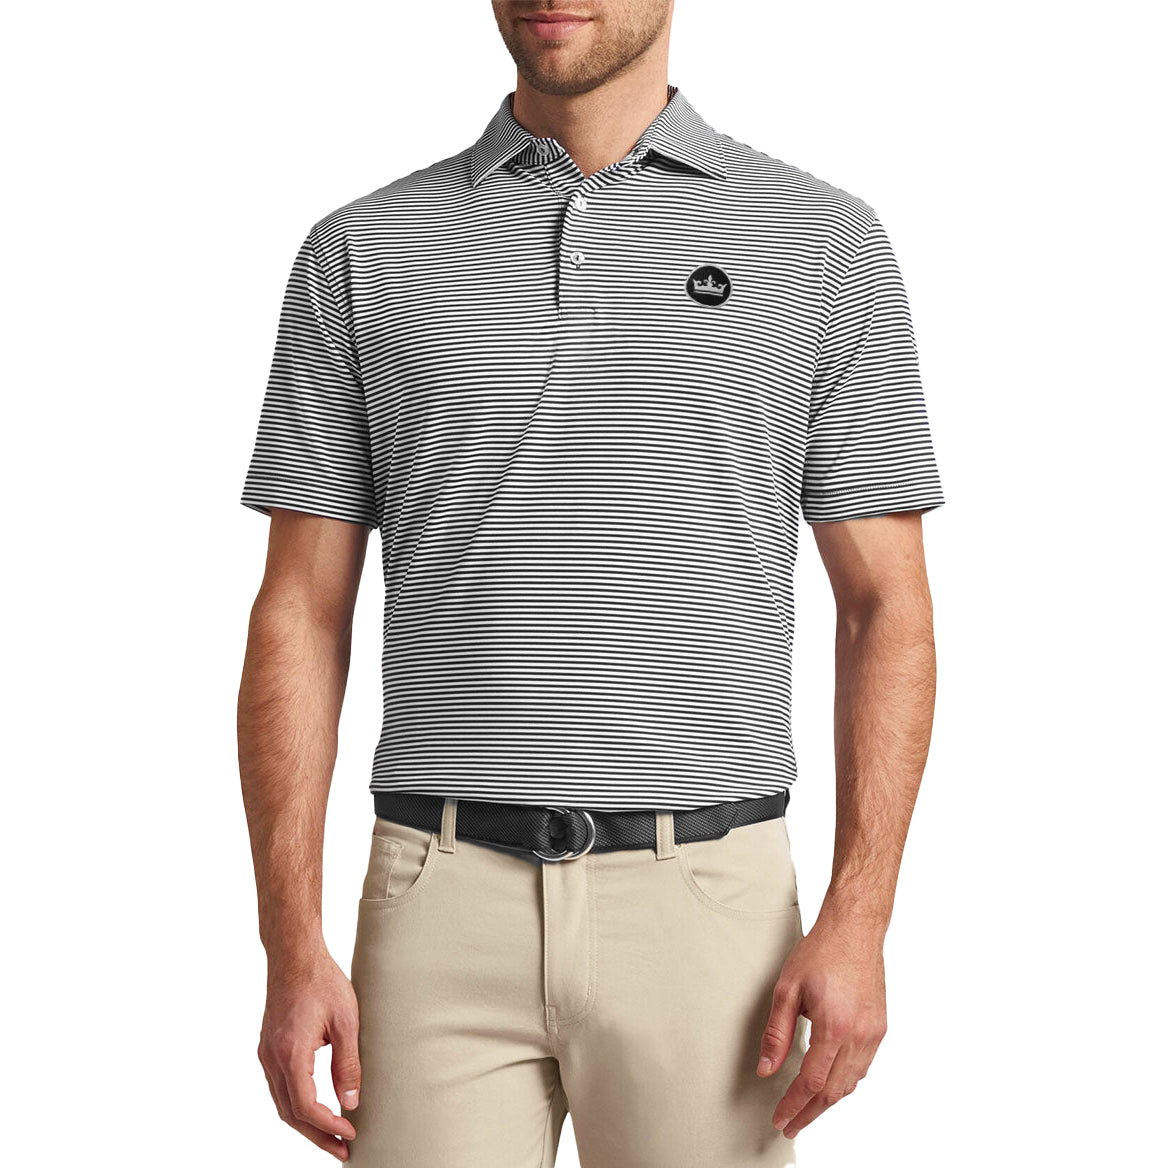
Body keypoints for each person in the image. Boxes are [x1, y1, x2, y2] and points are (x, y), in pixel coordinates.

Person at [237, 2, 943, 1164]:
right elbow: (299, 611)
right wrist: (288, 940)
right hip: (434, 901)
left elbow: (887, 610)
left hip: (709, 908)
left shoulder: (821, 242)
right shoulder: (362, 250)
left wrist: (858, 917)